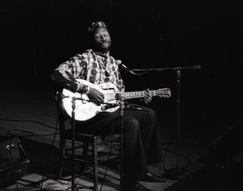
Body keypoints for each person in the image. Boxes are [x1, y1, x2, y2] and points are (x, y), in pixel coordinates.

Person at [51, 21, 166, 191]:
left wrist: (142, 97)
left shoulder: (114, 63)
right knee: (129, 123)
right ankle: (129, 182)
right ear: (93, 39)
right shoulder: (84, 58)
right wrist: (86, 89)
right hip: (89, 117)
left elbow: (118, 96)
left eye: (105, 34)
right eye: (98, 35)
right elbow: (57, 73)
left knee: (149, 114)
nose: (103, 37)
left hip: (108, 112)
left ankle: (142, 169)